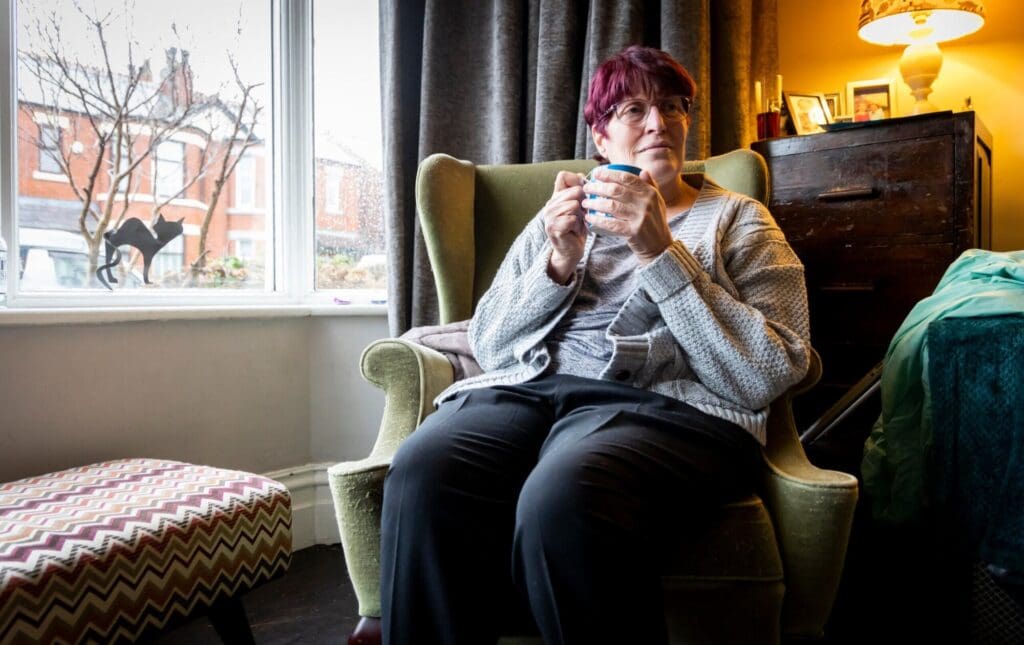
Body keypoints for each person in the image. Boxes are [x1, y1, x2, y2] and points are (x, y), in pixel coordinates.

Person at [380, 45, 810, 645]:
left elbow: (771, 367)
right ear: (601, 138)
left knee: (564, 496)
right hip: (531, 388)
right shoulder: (560, 216)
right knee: (422, 470)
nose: (659, 123)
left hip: (668, 407)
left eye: (672, 106)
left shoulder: (740, 219)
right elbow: (491, 342)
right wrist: (557, 260)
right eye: (634, 109)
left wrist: (661, 250)